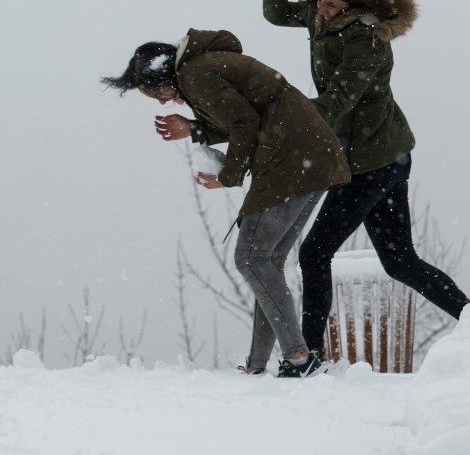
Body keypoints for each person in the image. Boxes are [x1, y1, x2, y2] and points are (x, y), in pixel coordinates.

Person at [260, 0, 470, 359]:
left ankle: (307, 356)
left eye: (332, 5)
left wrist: (275, 117)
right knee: (400, 262)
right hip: (376, 158)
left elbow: (338, 101)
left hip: (373, 163)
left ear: (353, 3)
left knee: (314, 252)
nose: (321, 10)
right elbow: (277, 13)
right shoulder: (323, 17)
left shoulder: (367, 38)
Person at [101, 28, 351, 377]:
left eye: (154, 93)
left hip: (293, 161)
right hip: (311, 157)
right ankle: (260, 364)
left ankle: (298, 357)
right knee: (266, 261)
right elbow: (244, 118)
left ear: (163, 76)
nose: (159, 102)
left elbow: (245, 122)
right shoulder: (200, 68)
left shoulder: (195, 74)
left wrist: (228, 176)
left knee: (251, 258)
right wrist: (194, 128)